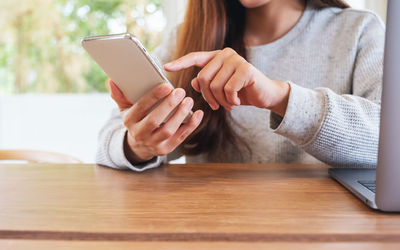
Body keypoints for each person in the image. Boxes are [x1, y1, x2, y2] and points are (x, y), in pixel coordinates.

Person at [96, 0, 384, 172]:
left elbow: (388, 146)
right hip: (211, 230)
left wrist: (280, 98)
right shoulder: (187, 37)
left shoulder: (359, 31)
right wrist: (137, 145)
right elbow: (107, 143)